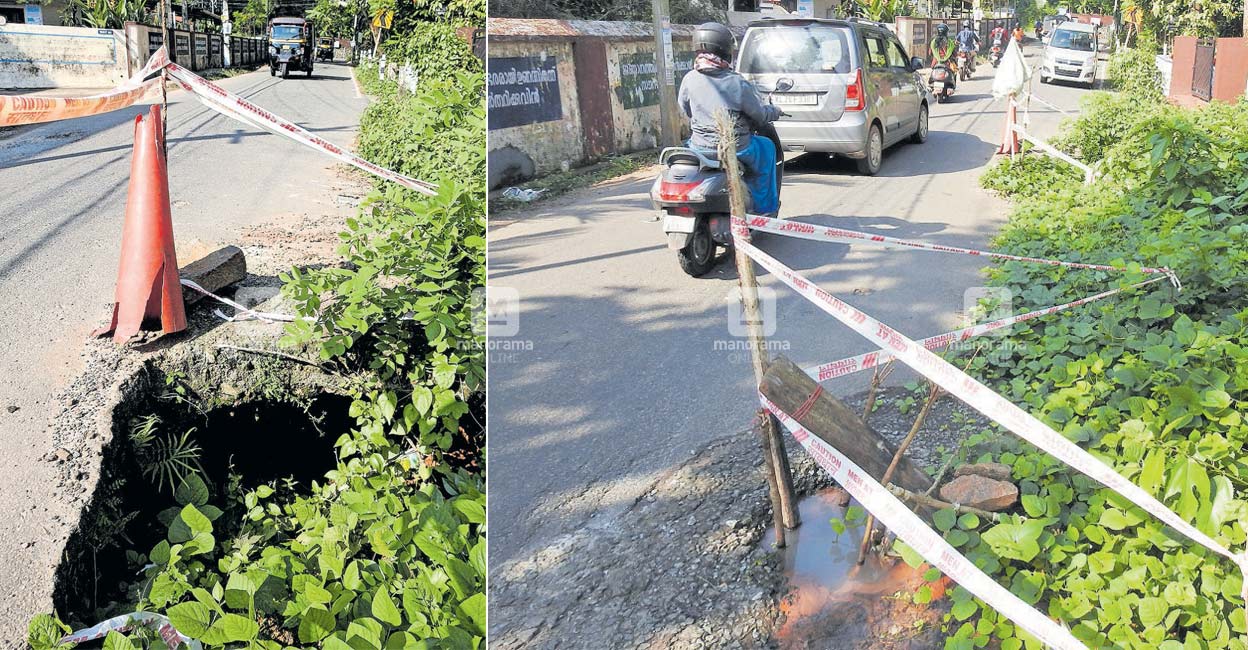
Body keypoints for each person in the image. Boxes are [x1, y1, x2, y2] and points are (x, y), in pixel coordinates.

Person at [677, 22, 781, 217]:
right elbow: (759, 115)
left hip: (699, 147)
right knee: (767, 148)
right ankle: (766, 211)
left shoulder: (689, 78)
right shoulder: (737, 82)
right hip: (738, 147)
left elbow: (685, 109)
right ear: (725, 50)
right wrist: (774, 111)